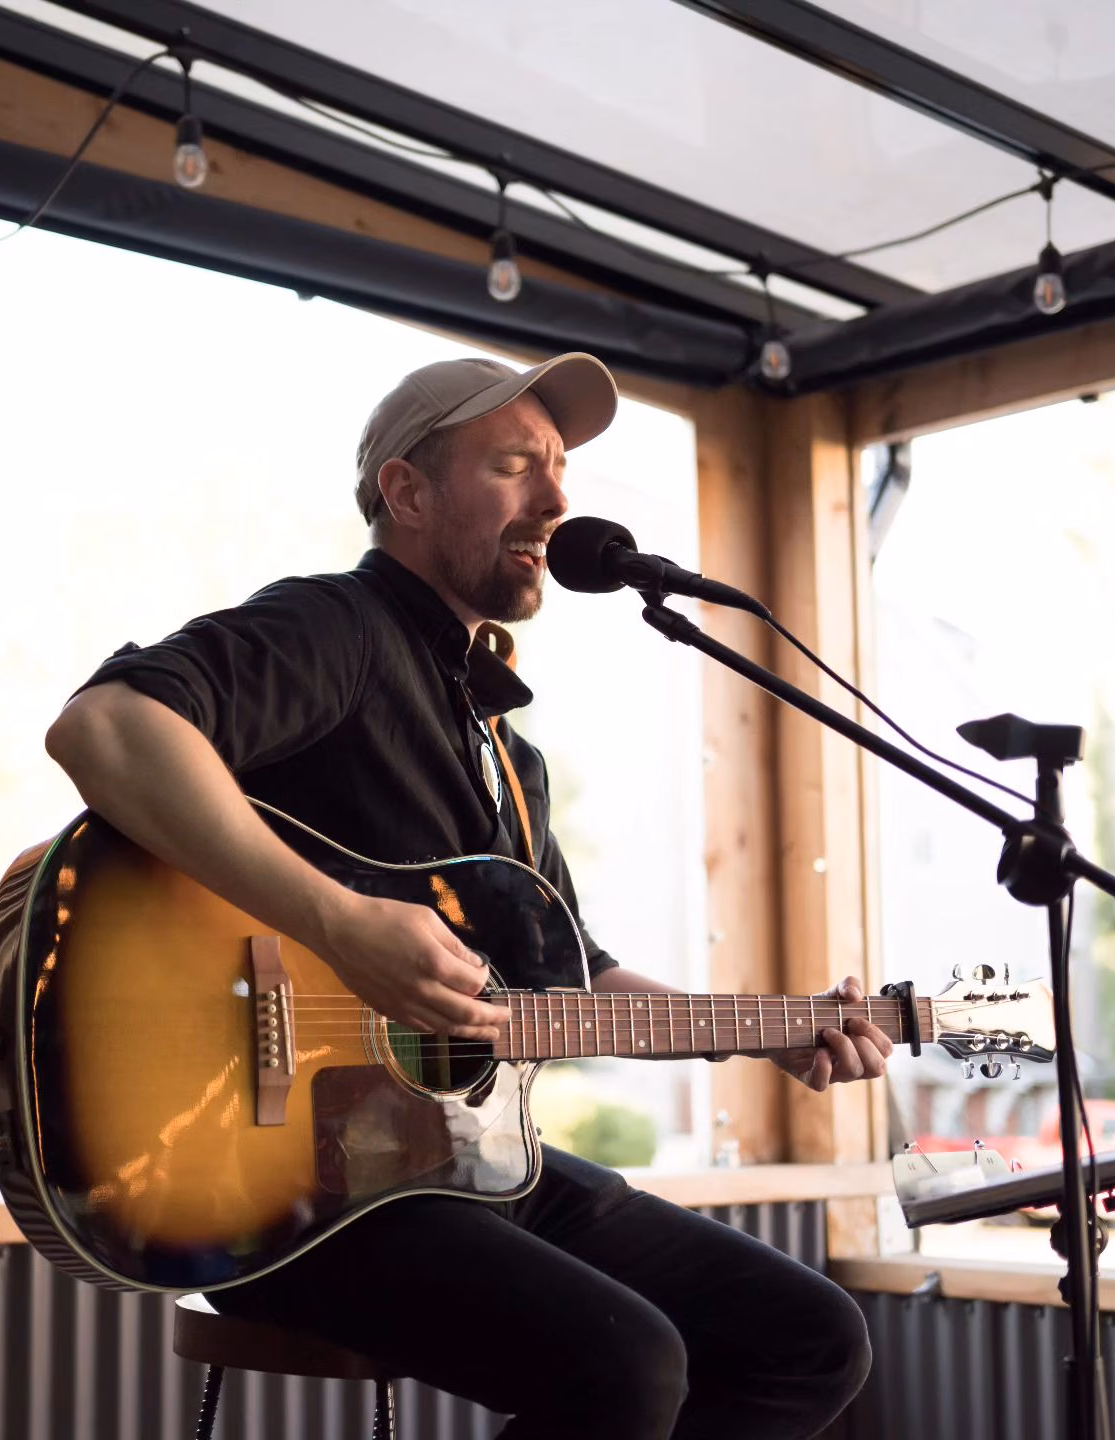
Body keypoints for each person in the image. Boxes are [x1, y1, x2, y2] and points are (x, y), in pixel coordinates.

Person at [44, 351, 888, 1439]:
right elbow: (104, 727)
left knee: (812, 1339)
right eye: (514, 465)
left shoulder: (507, 757)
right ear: (407, 492)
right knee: (627, 1365)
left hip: (453, 1156)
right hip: (276, 1181)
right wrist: (337, 923)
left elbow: (566, 978)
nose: (557, 499)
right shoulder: (337, 629)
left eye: (561, 470)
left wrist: (770, 1033)